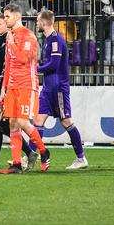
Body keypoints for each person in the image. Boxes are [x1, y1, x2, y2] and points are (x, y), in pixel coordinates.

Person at [28, 10, 88, 170]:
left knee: (66, 121)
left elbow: (54, 65)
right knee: (37, 122)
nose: (36, 23)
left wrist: (35, 68)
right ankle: (30, 157)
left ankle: (81, 158)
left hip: (58, 88)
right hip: (48, 88)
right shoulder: (48, 40)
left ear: (44, 22)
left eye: (38, 20)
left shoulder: (55, 40)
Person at [0, 3, 50, 174]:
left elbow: (22, 59)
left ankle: (43, 152)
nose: (5, 20)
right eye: (4, 17)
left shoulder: (28, 36)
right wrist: (3, 88)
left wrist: (12, 43)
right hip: (12, 86)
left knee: (21, 121)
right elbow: (9, 64)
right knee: (12, 122)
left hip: (27, 85)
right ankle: (16, 164)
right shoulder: (10, 36)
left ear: (17, 16)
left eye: (7, 17)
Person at [0, 14, 36, 170]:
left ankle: (28, 153)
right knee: (0, 126)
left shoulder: (7, 46)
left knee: (3, 125)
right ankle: (27, 152)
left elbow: (3, 73)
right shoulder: (2, 45)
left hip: (2, 92)